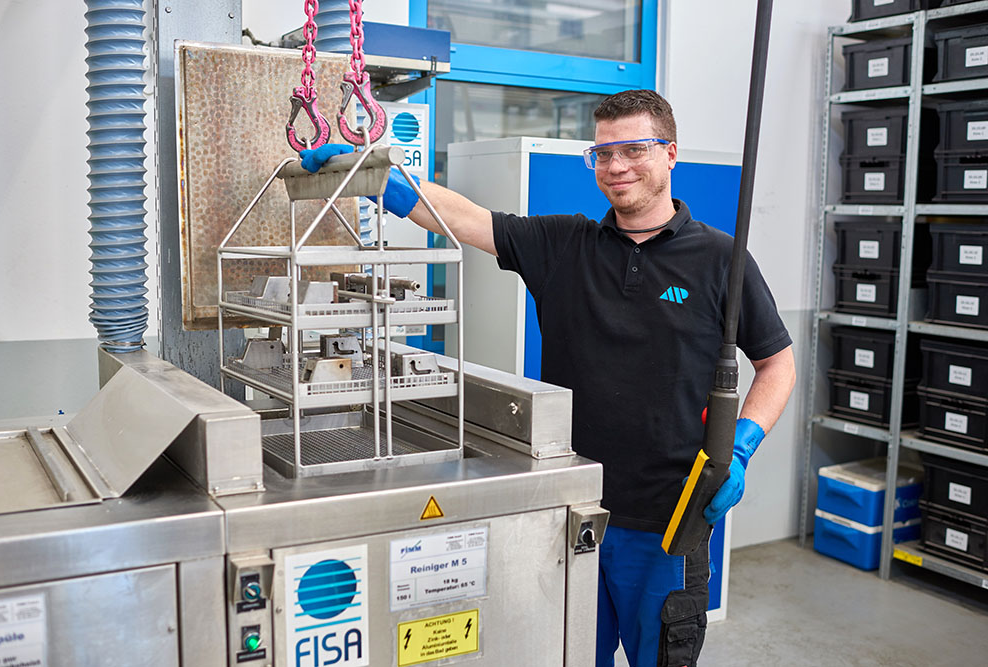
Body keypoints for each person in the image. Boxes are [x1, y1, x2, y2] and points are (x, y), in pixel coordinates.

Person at [301, 89, 796, 667]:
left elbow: (777, 363)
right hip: (568, 512)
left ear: (670, 154)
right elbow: (467, 219)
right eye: (602, 153)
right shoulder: (565, 245)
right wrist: (382, 179)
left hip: (668, 523)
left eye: (634, 149)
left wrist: (741, 448)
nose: (616, 166)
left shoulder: (721, 260)